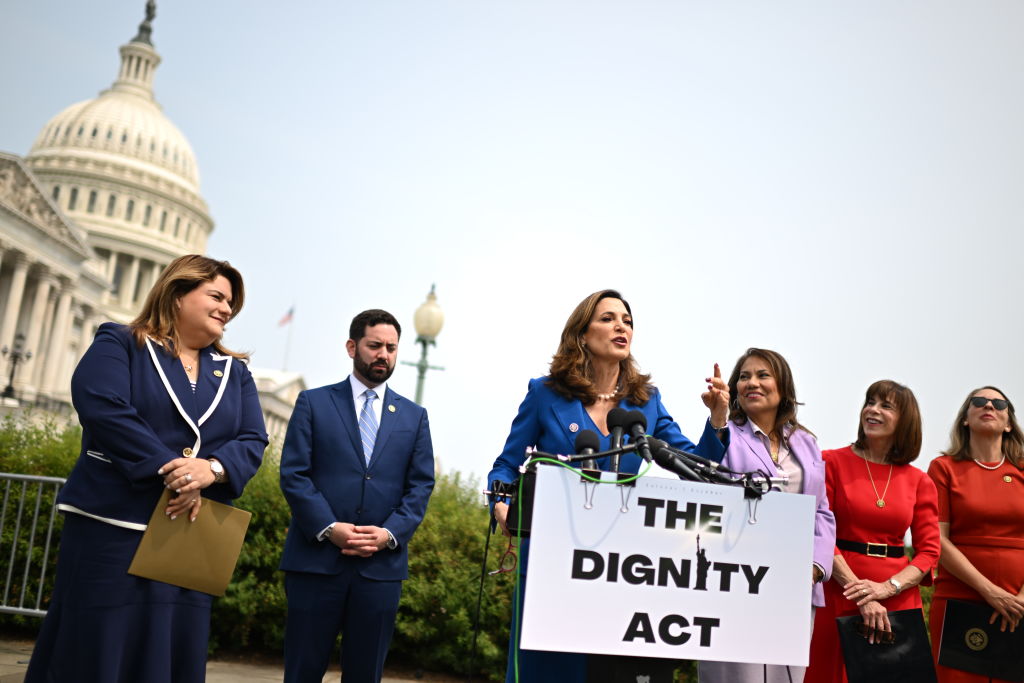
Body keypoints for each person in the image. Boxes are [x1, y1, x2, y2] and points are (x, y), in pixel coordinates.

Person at [24, 255, 268, 683]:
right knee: (97, 646)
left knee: (171, 652)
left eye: (231, 303)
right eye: (217, 296)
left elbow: (252, 440)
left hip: (188, 539)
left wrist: (210, 470)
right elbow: (102, 405)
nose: (227, 309)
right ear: (177, 294)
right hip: (112, 526)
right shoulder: (121, 342)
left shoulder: (236, 374)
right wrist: (173, 470)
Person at [487, 289, 730, 683]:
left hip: (619, 570)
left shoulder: (646, 401)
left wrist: (718, 419)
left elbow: (695, 464)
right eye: (608, 318)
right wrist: (502, 503)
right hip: (553, 560)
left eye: (628, 320)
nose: (622, 326)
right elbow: (506, 466)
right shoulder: (544, 393)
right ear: (582, 334)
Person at [279, 309, 435, 683]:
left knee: (365, 675)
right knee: (301, 671)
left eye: (392, 348)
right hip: (315, 563)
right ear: (352, 347)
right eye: (375, 345)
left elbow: (421, 486)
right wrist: (328, 527)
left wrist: (390, 534)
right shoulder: (313, 403)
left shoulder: (415, 417)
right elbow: (294, 474)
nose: (384, 354)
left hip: (380, 571)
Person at [698, 348, 836, 683]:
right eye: (744, 376)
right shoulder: (725, 434)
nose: (751, 383)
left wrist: (815, 569)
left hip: (797, 587)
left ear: (783, 388)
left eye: (762, 375)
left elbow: (822, 511)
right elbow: (700, 482)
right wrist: (717, 420)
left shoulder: (806, 443)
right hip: (736, 582)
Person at [805, 380, 940, 683]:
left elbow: (929, 552)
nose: (873, 410)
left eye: (885, 405)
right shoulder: (831, 461)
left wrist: (886, 588)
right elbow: (817, 529)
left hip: (897, 597)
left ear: (905, 420)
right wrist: (861, 594)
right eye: (870, 402)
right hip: (837, 589)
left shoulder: (920, 481)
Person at [926, 386, 1024, 682]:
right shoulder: (944, 468)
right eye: (979, 402)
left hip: (1018, 605)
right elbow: (938, 538)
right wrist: (990, 591)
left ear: (1009, 423)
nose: (988, 406)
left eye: (999, 404)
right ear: (965, 418)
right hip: (960, 600)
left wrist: (1020, 599)